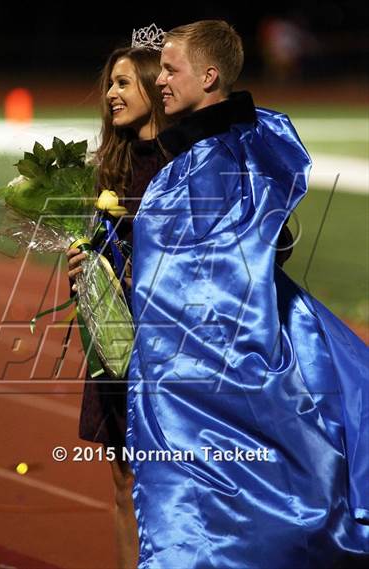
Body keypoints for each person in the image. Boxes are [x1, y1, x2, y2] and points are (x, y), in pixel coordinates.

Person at [126, 20, 369, 568]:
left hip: (212, 368)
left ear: (209, 77)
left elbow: (195, 285)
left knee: (217, 503)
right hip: (251, 342)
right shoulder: (239, 144)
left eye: (170, 69)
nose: (159, 80)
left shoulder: (211, 163)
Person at [67, 37, 169, 569]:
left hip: (173, 347)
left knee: (174, 482)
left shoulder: (186, 165)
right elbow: (96, 247)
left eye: (123, 82)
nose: (110, 93)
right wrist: (82, 269)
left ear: (155, 87)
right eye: (110, 82)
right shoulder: (108, 166)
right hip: (117, 345)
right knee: (124, 481)